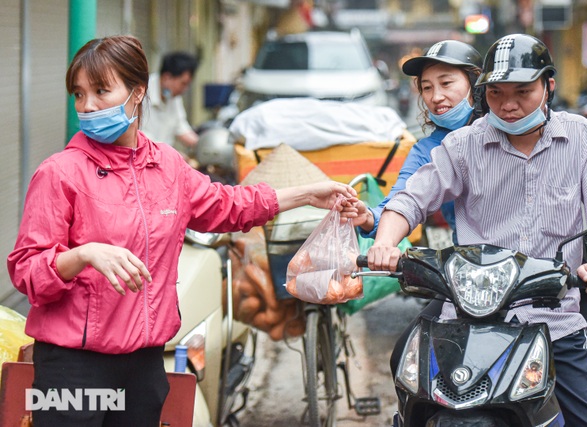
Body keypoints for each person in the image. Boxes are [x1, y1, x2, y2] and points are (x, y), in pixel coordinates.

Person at [6, 35, 357, 427]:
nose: (86, 107)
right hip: (72, 367)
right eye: (78, 94)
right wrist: (84, 254)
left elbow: (232, 205)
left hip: (143, 367)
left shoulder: (168, 167)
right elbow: (27, 270)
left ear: (138, 92)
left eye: (101, 91)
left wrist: (310, 193)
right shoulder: (59, 173)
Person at [360, 34, 587, 425]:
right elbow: (411, 198)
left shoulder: (583, 137)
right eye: (496, 93)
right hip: (469, 312)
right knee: (409, 376)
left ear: (548, 86)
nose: (508, 104)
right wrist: (384, 242)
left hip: (554, 308)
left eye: (522, 91)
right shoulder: (463, 144)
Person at [354, 40, 483, 244]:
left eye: (446, 83)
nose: (436, 96)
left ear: (475, 83)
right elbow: (402, 199)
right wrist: (370, 218)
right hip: (471, 261)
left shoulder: (504, 131)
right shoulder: (428, 150)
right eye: (427, 87)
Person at [140, 51, 199, 149]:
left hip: (164, 156)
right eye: (183, 83)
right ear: (167, 77)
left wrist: (201, 145)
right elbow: (140, 137)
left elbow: (181, 127)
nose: (185, 89)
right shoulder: (142, 94)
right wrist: (172, 155)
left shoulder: (173, 96)